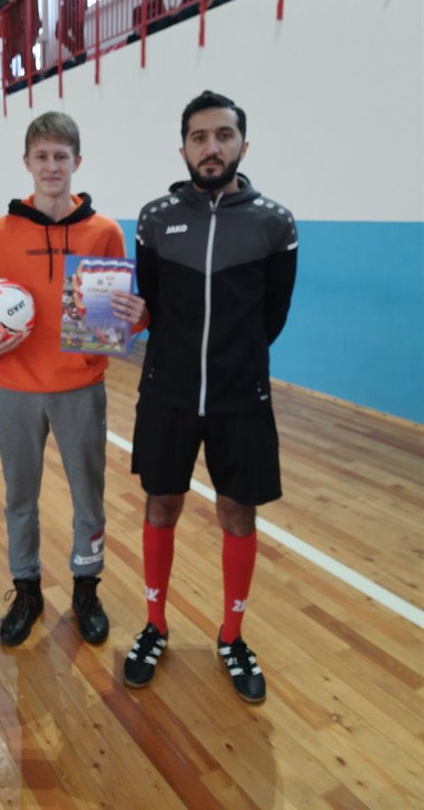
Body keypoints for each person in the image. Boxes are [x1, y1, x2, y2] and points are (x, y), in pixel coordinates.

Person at [123, 90, 298, 702]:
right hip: (166, 393)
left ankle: (232, 635)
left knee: (237, 514)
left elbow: (272, 316)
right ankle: (155, 625)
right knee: (160, 506)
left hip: (239, 398)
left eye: (223, 135)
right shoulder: (154, 218)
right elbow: (151, 304)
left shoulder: (275, 223)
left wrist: (233, 362)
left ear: (243, 145)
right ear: (184, 149)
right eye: (199, 137)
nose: (211, 147)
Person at [0, 112, 145, 648]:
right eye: (41, 156)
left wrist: (137, 317)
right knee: (19, 497)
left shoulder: (104, 231)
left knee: (89, 497)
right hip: (16, 389)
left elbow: (117, 317)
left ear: (77, 162)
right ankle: (26, 589)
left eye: (60, 157)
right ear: (27, 162)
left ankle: (86, 586)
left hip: (80, 389)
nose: (51, 166)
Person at [8, 0, 41, 78]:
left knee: (26, 49)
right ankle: (28, 75)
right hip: (19, 26)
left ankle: (33, 75)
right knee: (22, 51)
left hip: (31, 23)